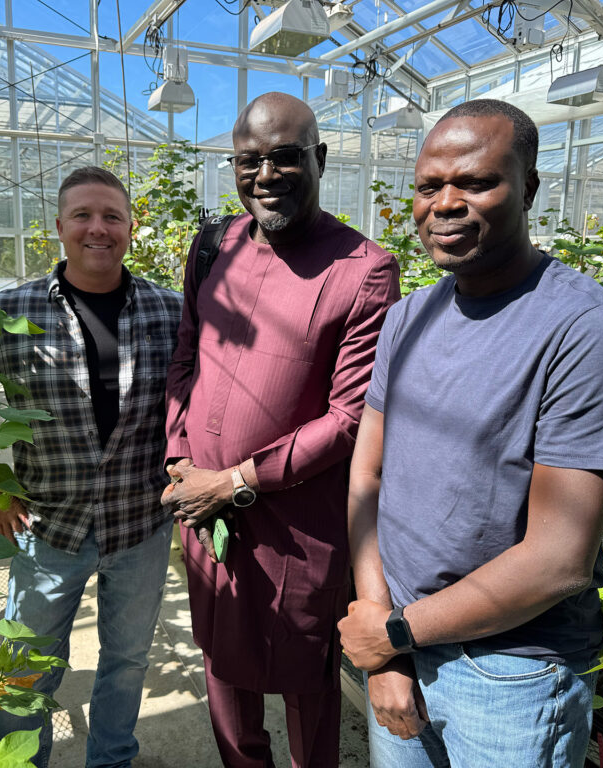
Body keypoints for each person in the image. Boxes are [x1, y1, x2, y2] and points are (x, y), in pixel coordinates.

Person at [337, 99, 603, 768]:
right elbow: (369, 477)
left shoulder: (580, 329)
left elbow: (558, 559)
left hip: (509, 676)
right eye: (428, 185)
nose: (445, 203)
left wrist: (389, 634)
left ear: (528, 188)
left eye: (475, 183)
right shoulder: (408, 317)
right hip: (402, 645)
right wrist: (382, 631)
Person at [162, 92, 400, 768]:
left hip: (295, 521)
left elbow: (349, 419)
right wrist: (182, 460)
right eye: (249, 161)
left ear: (319, 159)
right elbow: (187, 357)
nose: (266, 175)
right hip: (201, 505)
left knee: (305, 678)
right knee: (222, 664)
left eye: (286, 158)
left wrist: (235, 481)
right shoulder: (213, 245)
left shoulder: (364, 269)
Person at [0, 166, 182, 768]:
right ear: (59, 227)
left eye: (111, 216)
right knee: (26, 667)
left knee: (126, 662)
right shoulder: (3, 311)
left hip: (140, 525)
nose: (97, 228)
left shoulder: (171, 313)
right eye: (83, 215)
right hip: (46, 525)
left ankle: (111, 761)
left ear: (132, 226)